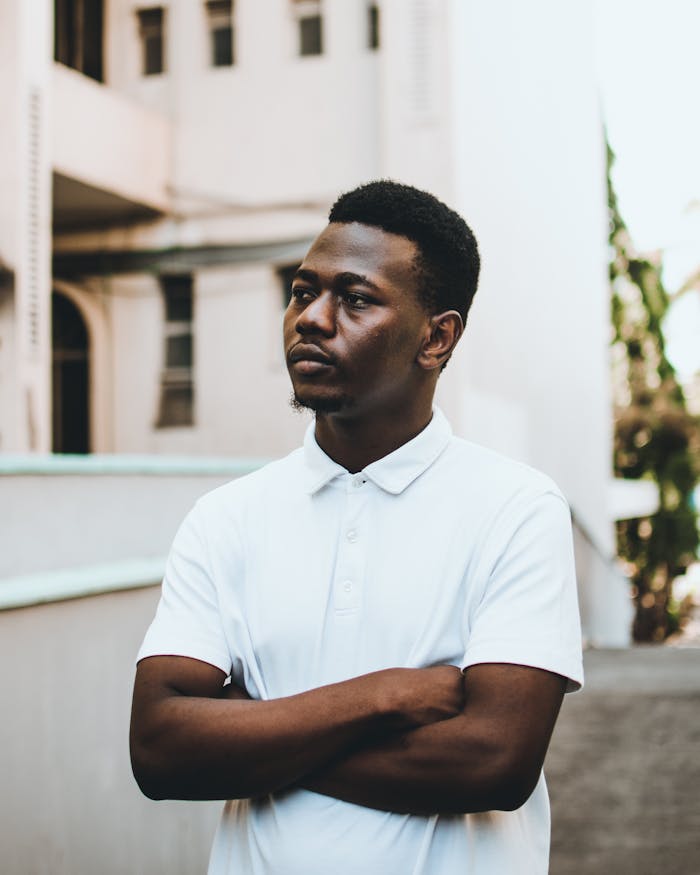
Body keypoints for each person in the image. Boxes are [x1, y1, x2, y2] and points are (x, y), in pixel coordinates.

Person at [130, 180, 583, 875]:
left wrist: (254, 732)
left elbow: (494, 761)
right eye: (302, 290)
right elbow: (160, 750)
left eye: (356, 298)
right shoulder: (227, 518)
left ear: (437, 337)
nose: (312, 317)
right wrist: (385, 696)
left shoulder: (515, 508)